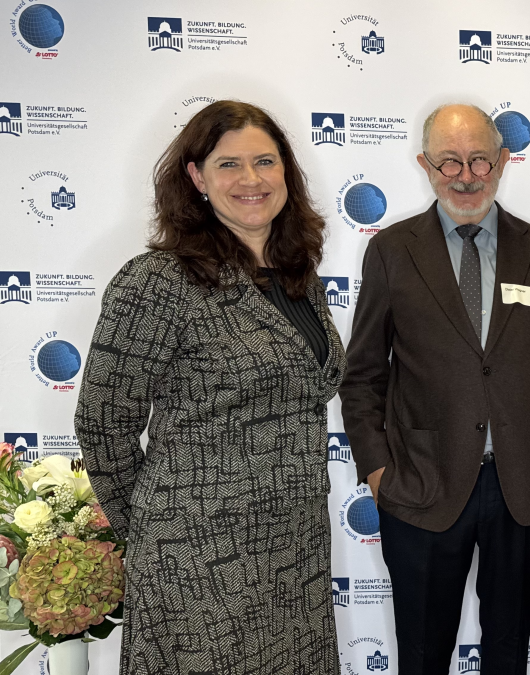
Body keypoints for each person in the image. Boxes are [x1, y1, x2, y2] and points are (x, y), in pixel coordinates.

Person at [75, 100, 345, 674]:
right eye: (229, 165)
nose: (251, 180)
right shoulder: (159, 281)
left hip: (295, 549)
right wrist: (154, 531)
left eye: (266, 162)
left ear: (286, 175)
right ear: (196, 177)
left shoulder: (298, 275)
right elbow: (103, 424)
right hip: (197, 561)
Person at [339, 103, 530, 675]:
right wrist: (379, 472)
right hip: (421, 485)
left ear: (503, 161)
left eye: (480, 159)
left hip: (525, 485)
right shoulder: (392, 250)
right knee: (423, 654)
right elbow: (362, 377)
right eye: (449, 161)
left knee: (509, 651)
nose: (466, 175)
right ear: (426, 165)